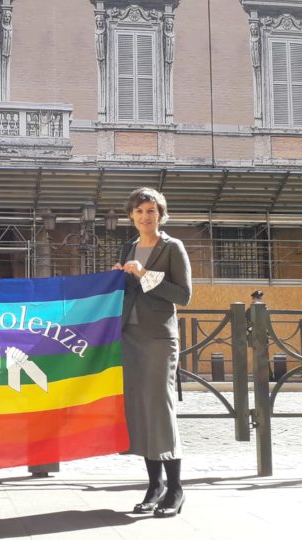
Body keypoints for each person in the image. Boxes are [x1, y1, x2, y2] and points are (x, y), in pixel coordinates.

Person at [113, 187, 192, 518]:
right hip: (129, 336)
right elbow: (126, 291)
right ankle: (154, 486)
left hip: (158, 338)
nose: (145, 216)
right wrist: (116, 277)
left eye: (151, 210)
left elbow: (183, 295)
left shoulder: (172, 247)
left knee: (160, 408)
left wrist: (145, 274)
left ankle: (175, 489)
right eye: (139, 211)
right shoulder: (128, 247)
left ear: (161, 214)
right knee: (141, 410)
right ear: (131, 215)